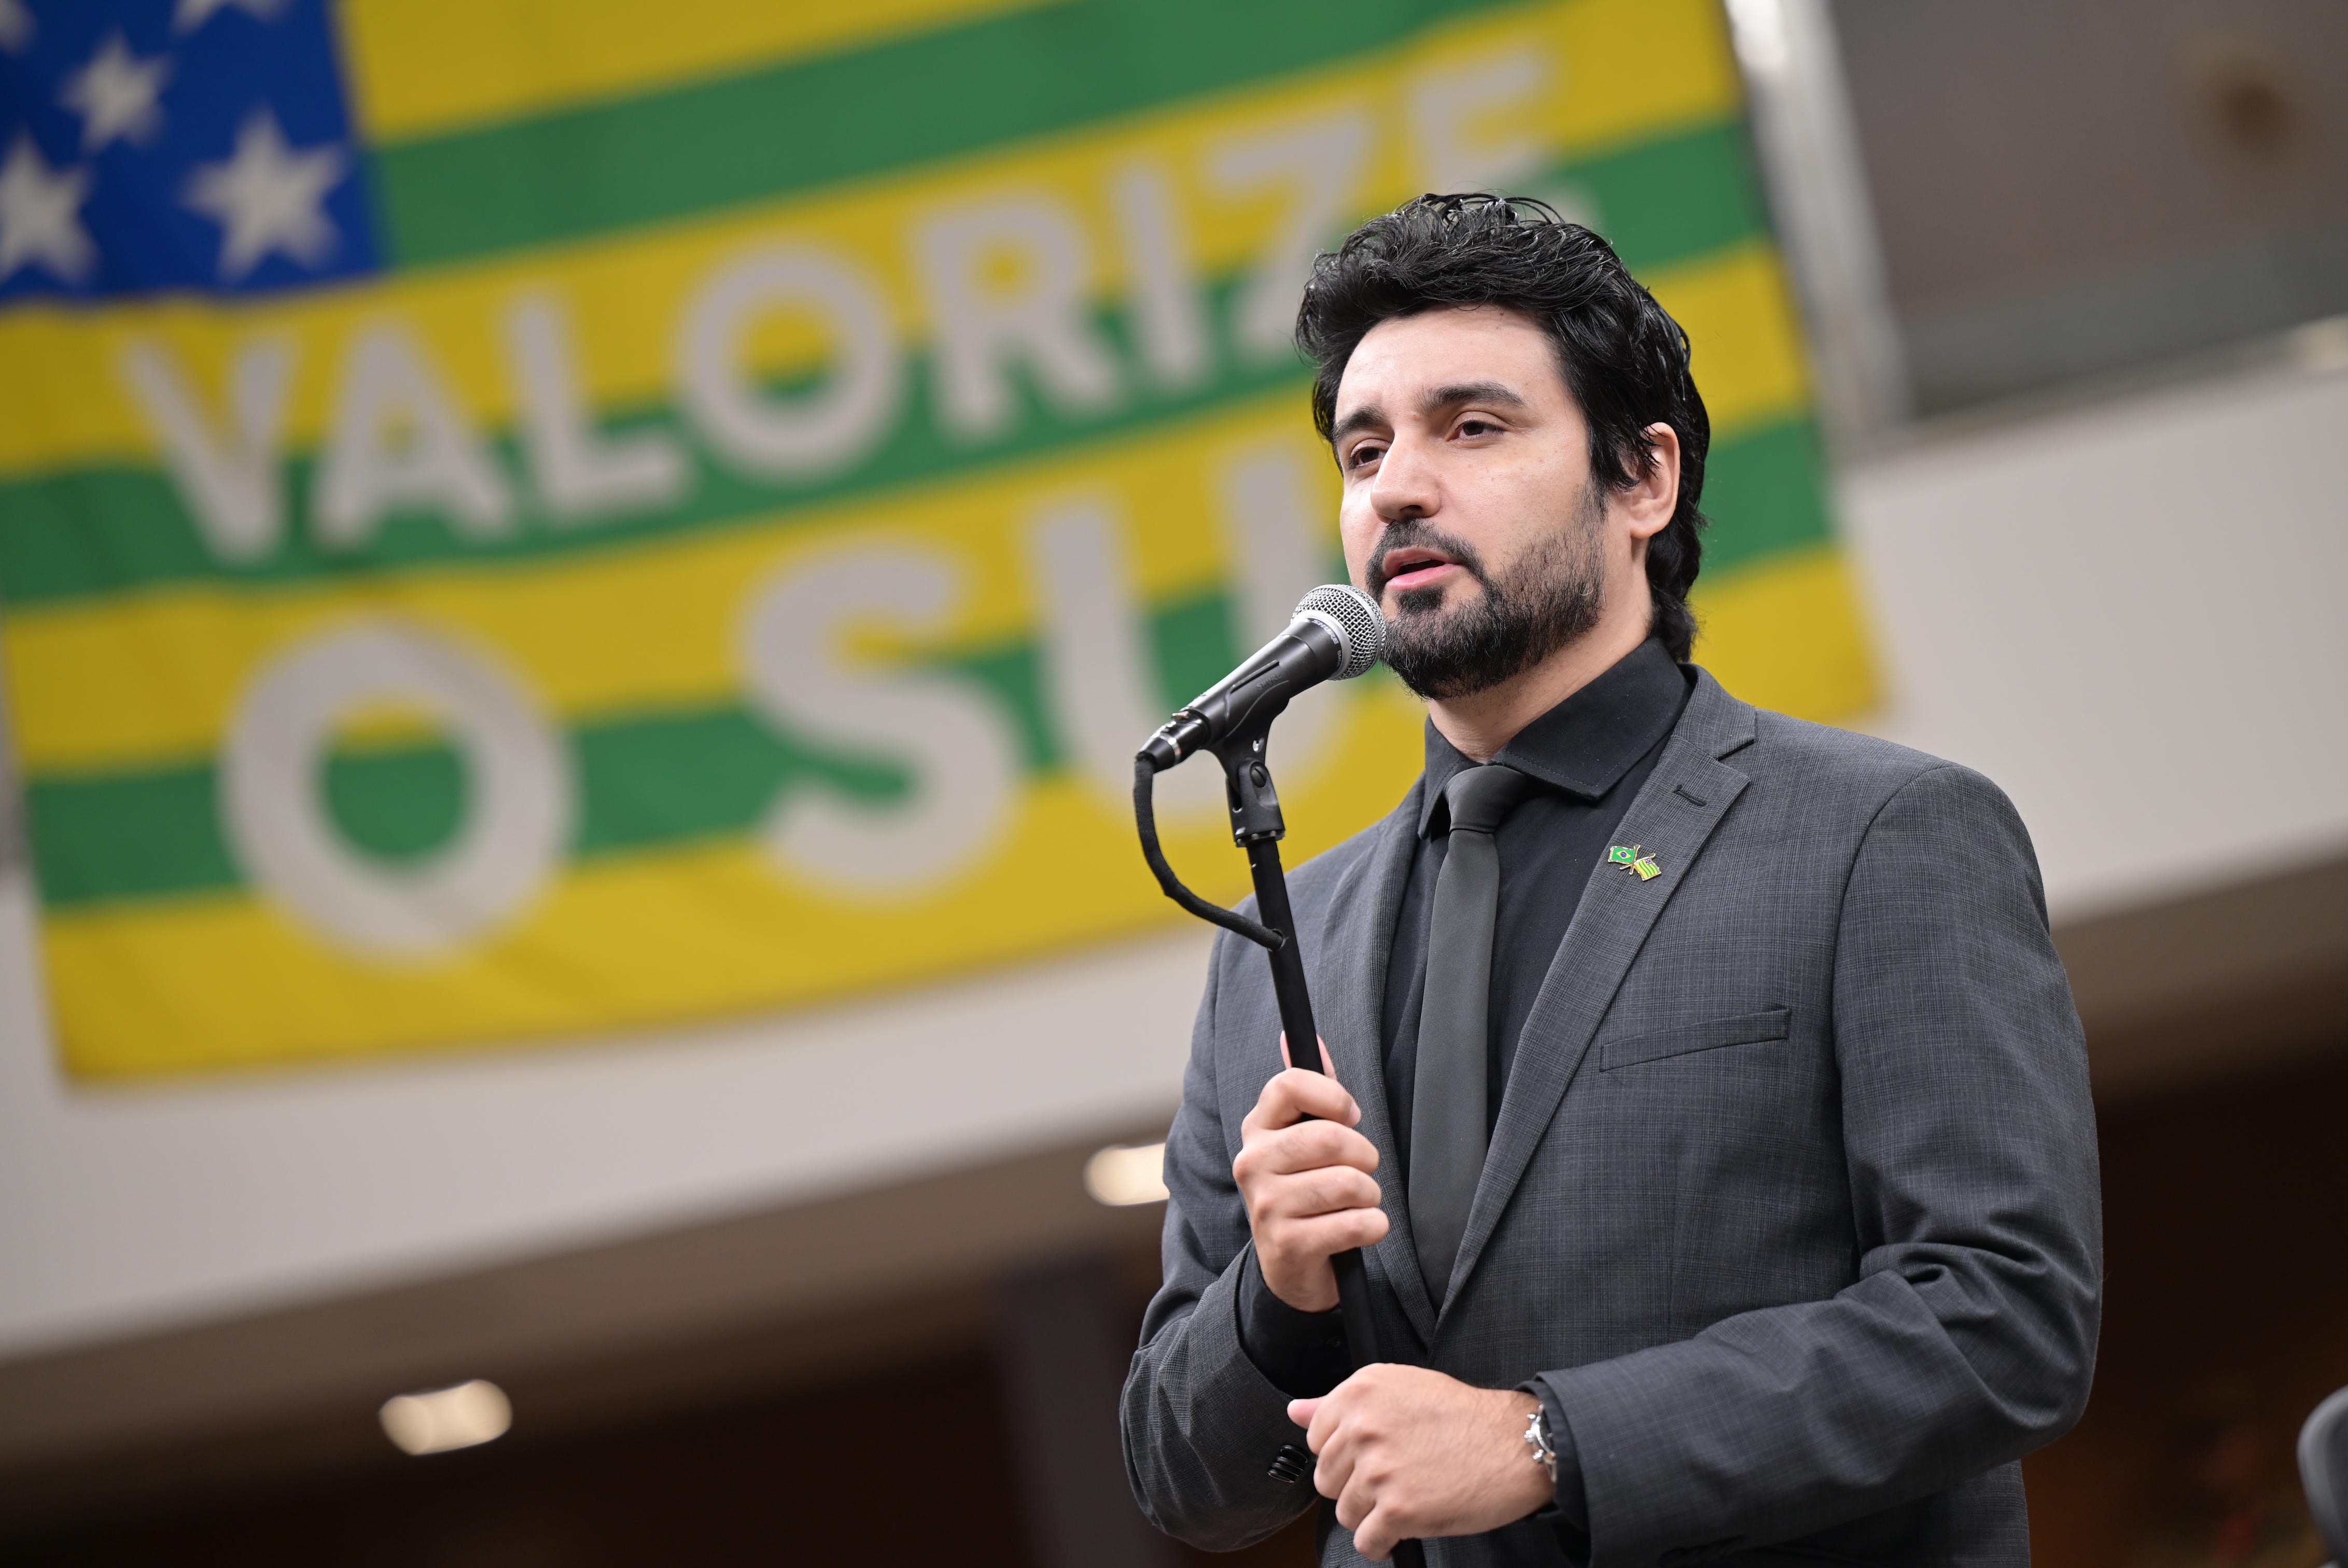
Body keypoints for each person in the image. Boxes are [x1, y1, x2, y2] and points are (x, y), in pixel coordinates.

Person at [1119, 195, 2102, 1568]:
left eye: (1472, 427)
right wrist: (1275, 1294)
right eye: (1365, 449)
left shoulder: (1879, 835)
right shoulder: (1280, 943)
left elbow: (2004, 1319)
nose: (1398, 488)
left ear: (1642, 478)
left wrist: (1546, 1443)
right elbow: (1183, 1478)